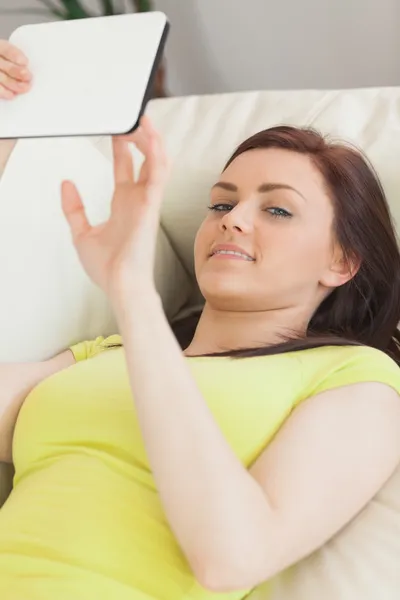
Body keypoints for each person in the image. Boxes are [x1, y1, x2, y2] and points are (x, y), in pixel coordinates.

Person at [0, 38, 399, 600]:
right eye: (221, 203)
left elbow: (232, 559)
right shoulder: (104, 355)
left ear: (341, 261)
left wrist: (132, 292)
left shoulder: (356, 378)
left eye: (277, 209)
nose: (233, 219)